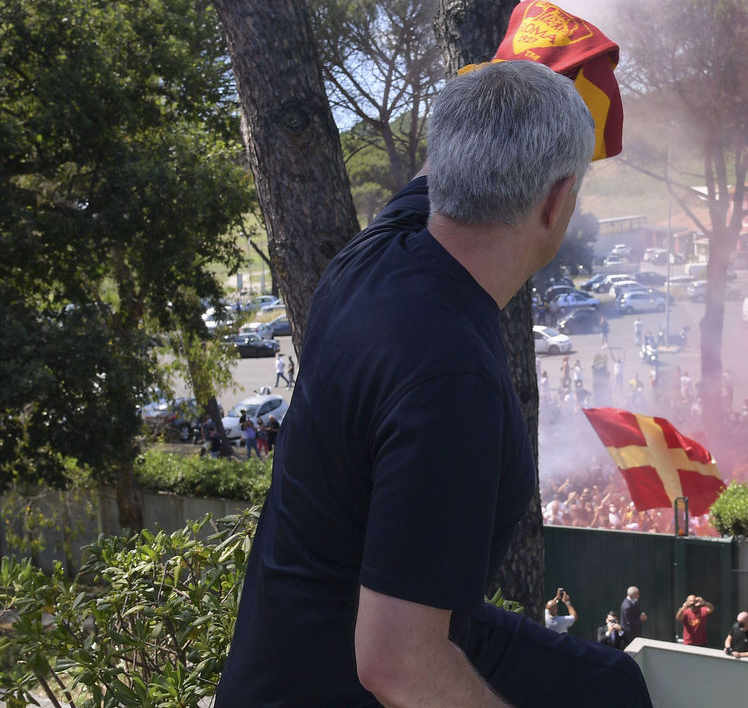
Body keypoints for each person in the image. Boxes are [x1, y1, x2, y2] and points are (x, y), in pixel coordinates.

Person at [216, 56, 650, 708]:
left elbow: (447, 161)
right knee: (614, 695)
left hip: (277, 662)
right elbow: (397, 661)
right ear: (558, 201)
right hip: (331, 681)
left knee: (609, 683)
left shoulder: (372, 254)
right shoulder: (454, 379)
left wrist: (518, 76)